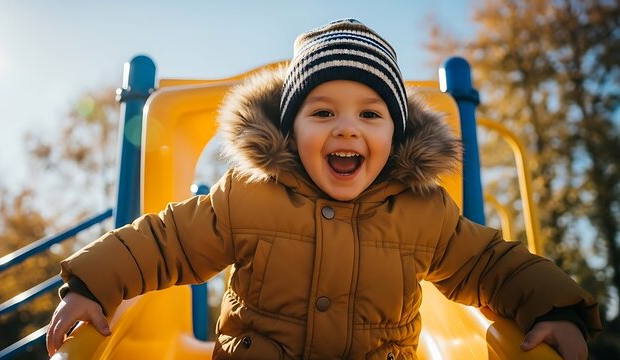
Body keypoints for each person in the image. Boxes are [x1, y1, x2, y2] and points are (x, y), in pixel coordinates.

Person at [46, 19, 601, 359]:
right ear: (292, 128)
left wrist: (556, 308)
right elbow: (168, 241)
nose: (347, 128)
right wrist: (92, 287)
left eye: (370, 113)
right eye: (323, 111)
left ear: (396, 131)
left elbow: (490, 265)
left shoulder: (422, 212)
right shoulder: (250, 194)